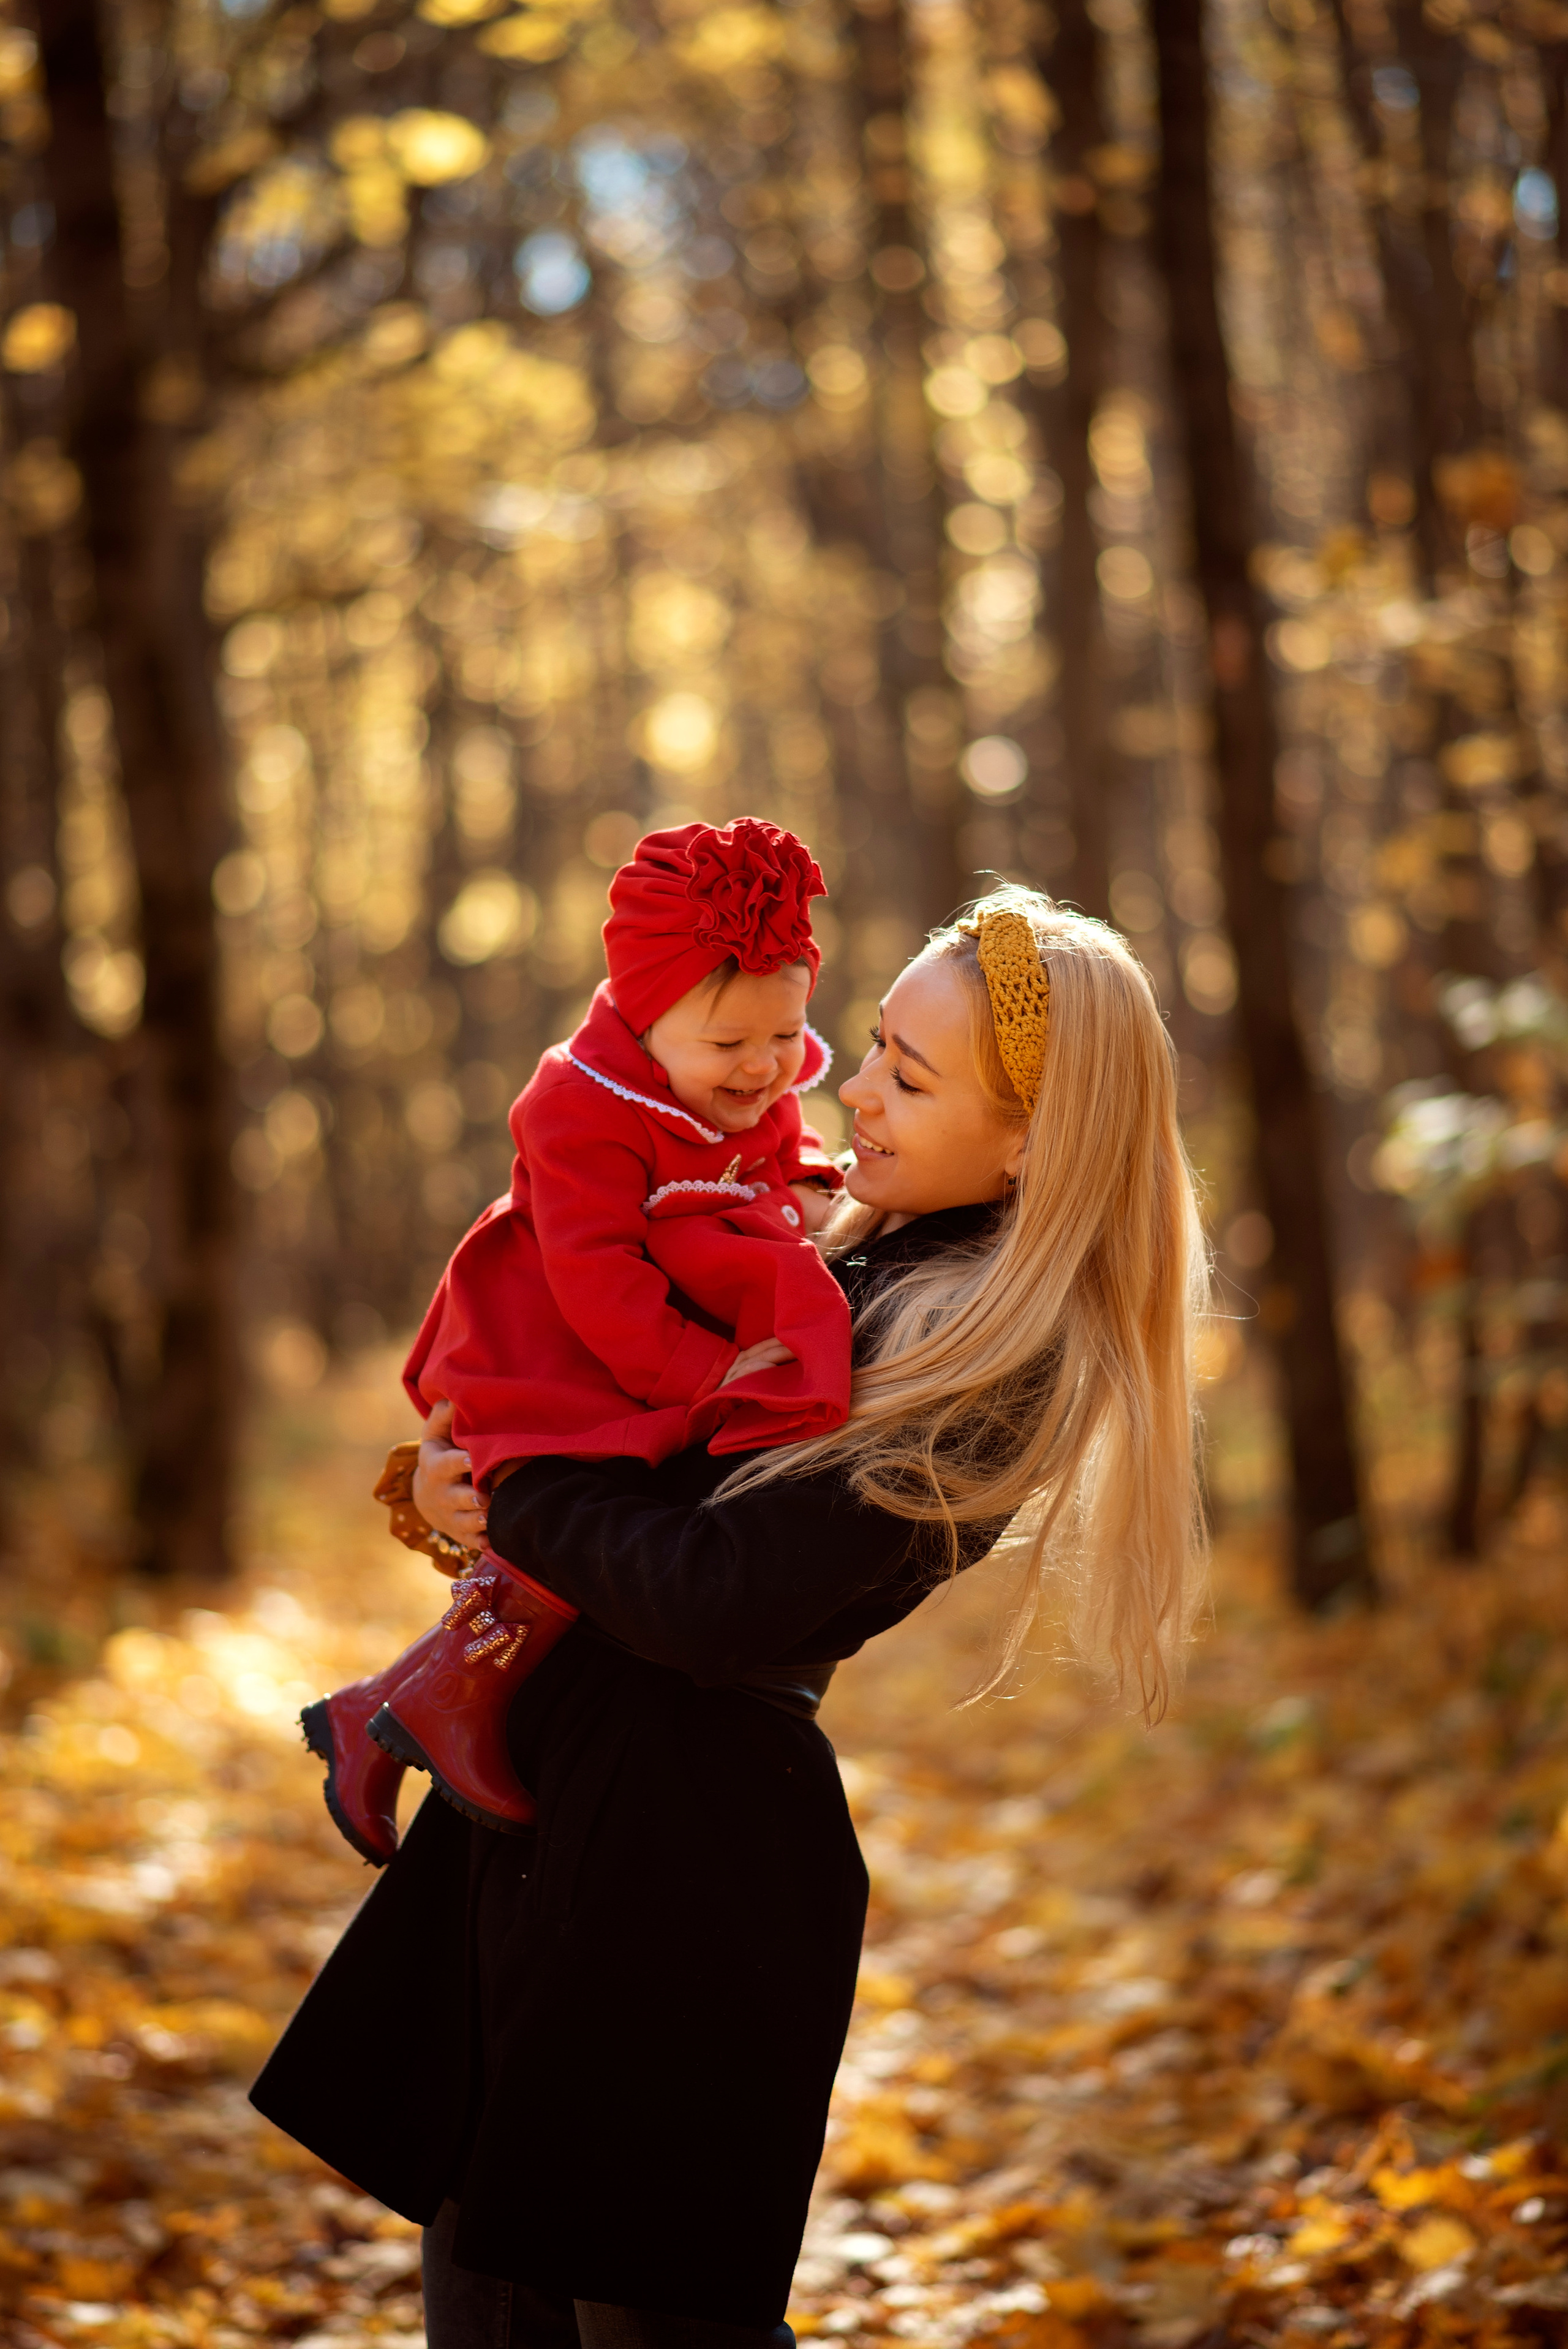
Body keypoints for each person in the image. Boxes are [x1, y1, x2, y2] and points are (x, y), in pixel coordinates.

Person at [251, 887, 1208, 2349]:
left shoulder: (983, 1349)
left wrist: (522, 1487)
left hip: (684, 1877)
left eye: (910, 1078)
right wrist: (462, 1486)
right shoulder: (828, 1246)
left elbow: (709, 1601)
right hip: (555, 1812)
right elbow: (614, 1466)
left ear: (1031, 1141)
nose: (851, 1090)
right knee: (489, 2304)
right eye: (871, 1045)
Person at [304, 818, 854, 1864]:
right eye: (728, 1045)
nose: (763, 1068)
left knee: (586, 1532)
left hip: (617, 1343)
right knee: (570, 1502)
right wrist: (706, 1375)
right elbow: (598, 1279)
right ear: (645, 1022)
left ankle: (392, 1711)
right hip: (544, 1333)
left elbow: (784, 1148)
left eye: (786, 1035)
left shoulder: (751, 1083)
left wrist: (814, 1185)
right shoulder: (577, 1102)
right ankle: (424, 1709)